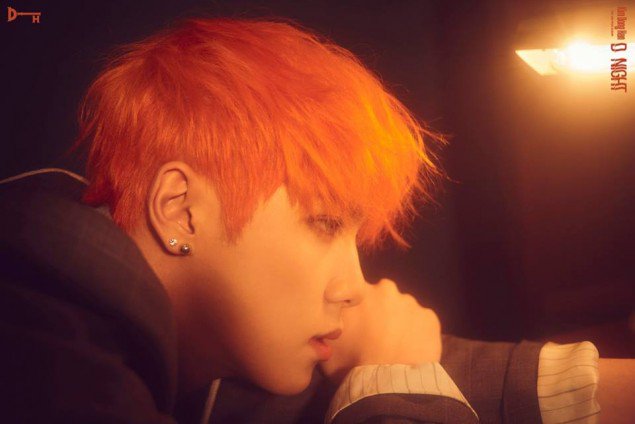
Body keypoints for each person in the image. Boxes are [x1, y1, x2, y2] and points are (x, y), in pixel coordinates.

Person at [0, 16, 633, 424]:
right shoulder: (35, 329)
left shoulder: (218, 360)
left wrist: (397, 362)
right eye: (325, 223)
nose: (355, 285)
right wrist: (397, 384)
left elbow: (486, 376)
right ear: (181, 210)